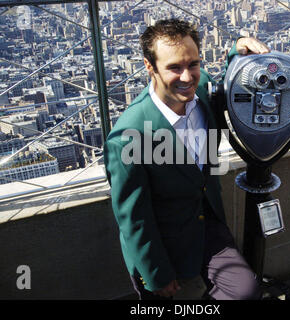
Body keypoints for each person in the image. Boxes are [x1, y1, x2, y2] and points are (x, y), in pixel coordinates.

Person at [104, 19, 270, 300]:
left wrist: (236, 53)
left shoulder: (202, 89)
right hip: (160, 238)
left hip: (207, 223)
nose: (186, 77)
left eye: (193, 63)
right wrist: (157, 274)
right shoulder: (129, 137)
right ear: (149, 67)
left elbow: (222, 83)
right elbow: (134, 219)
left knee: (246, 291)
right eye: (173, 67)